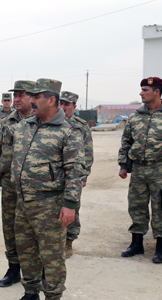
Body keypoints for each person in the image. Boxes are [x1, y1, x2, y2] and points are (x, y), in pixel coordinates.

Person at [0, 78, 85, 300]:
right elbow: (1, 134)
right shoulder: (27, 125)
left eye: (36, 97)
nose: (31, 100)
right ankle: (30, 295)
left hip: (50, 206)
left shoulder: (68, 131)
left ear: (51, 100)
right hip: (22, 202)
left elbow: (75, 172)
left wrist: (70, 205)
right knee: (26, 251)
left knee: (51, 256)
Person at [118, 77, 162, 263]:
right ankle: (136, 243)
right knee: (136, 206)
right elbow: (126, 142)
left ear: (156, 92)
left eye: (145, 90)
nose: (141, 93)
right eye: (141, 89)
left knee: (161, 208)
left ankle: (161, 247)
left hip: (161, 170)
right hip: (139, 169)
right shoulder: (135, 117)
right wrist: (123, 165)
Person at [0, 80, 35, 287]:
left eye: (21, 95)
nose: (16, 99)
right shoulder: (7, 121)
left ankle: (36, 271)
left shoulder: (40, 121)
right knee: (10, 228)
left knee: (33, 229)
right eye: (14, 95)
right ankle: (14, 268)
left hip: (33, 186)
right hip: (9, 184)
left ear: (32, 97)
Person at [59, 91, 94, 258]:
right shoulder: (50, 122)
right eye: (61, 103)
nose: (63, 107)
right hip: (53, 175)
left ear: (74, 106)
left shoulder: (80, 126)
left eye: (67, 104)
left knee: (73, 208)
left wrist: (83, 176)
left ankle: (68, 242)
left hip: (73, 175)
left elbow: (87, 153)